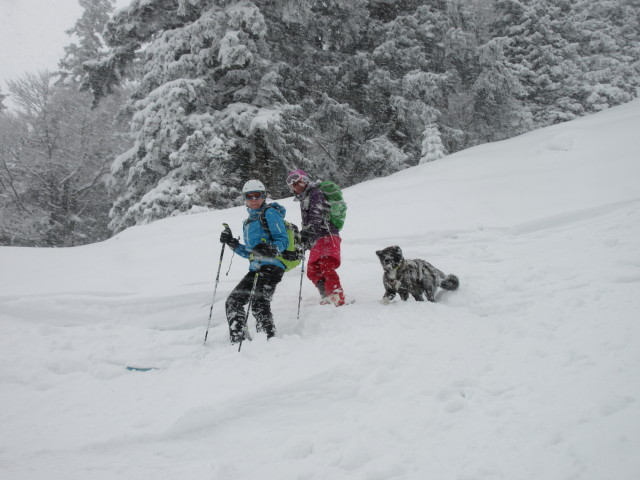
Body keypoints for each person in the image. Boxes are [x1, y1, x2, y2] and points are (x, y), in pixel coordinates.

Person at [219, 179, 289, 343]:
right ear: (245, 199)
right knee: (233, 302)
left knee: (259, 302)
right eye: (249, 196)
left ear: (264, 196)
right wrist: (232, 243)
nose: (253, 199)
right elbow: (251, 254)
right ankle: (239, 340)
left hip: (273, 266)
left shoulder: (270, 213)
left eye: (257, 195)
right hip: (256, 268)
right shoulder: (248, 222)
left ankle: (268, 340)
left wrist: (270, 248)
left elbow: (283, 240)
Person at [286, 169, 346, 306]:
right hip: (316, 238)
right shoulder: (304, 198)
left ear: (305, 181)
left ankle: (336, 297)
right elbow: (309, 221)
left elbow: (316, 215)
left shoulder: (315, 193)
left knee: (326, 265)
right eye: (293, 186)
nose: (296, 188)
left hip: (327, 234)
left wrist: (308, 231)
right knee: (313, 270)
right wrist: (306, 238)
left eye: (298, 183)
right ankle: (326, 295)